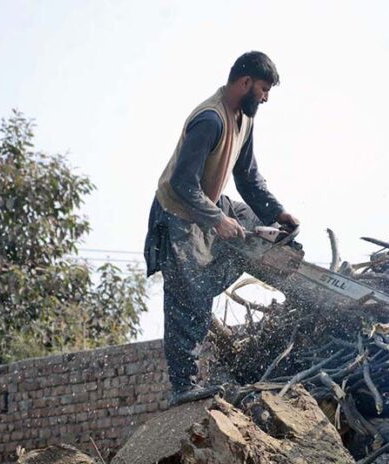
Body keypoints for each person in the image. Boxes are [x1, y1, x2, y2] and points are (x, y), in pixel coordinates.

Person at [143, 51, 299, 405]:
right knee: (189, 295)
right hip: (178, 217)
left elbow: (247, 175)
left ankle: (295, 282)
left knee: (253, 223)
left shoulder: (244, 119)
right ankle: (184, 385)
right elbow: (183, 183)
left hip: (209, 207)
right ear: (244, 83)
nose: (265, 97)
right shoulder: (210, 120)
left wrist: (277, 214)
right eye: (262, 89)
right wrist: (217, 220)